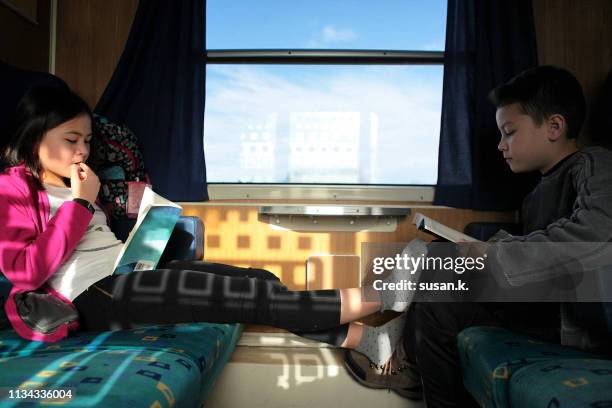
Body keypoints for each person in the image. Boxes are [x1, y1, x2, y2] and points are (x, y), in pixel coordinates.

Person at [0, 85, 421, 368]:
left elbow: (94, 244)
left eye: (88, 140)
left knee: (259, 277)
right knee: (252, 297)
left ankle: (368, 341)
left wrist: (143, 238)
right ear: (34, 137)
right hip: (92, 297)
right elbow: (25, 272)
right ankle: (380, 294)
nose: (83, 150)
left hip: (128, 273)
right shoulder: (12, 187)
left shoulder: (79, 185)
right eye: (71, 139)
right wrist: (79, 203)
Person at [345, 65, 612, 407]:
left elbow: (597, 233)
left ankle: (400, 346)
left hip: (571, 317)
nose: (501, 145)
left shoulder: (593, 164)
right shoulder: (533, 195)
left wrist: (495, 253)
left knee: (439, 266)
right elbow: (536, 250)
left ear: (554, 127)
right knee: (435, 282)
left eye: (510, 132)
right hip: (538, 307)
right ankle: (407, 352)